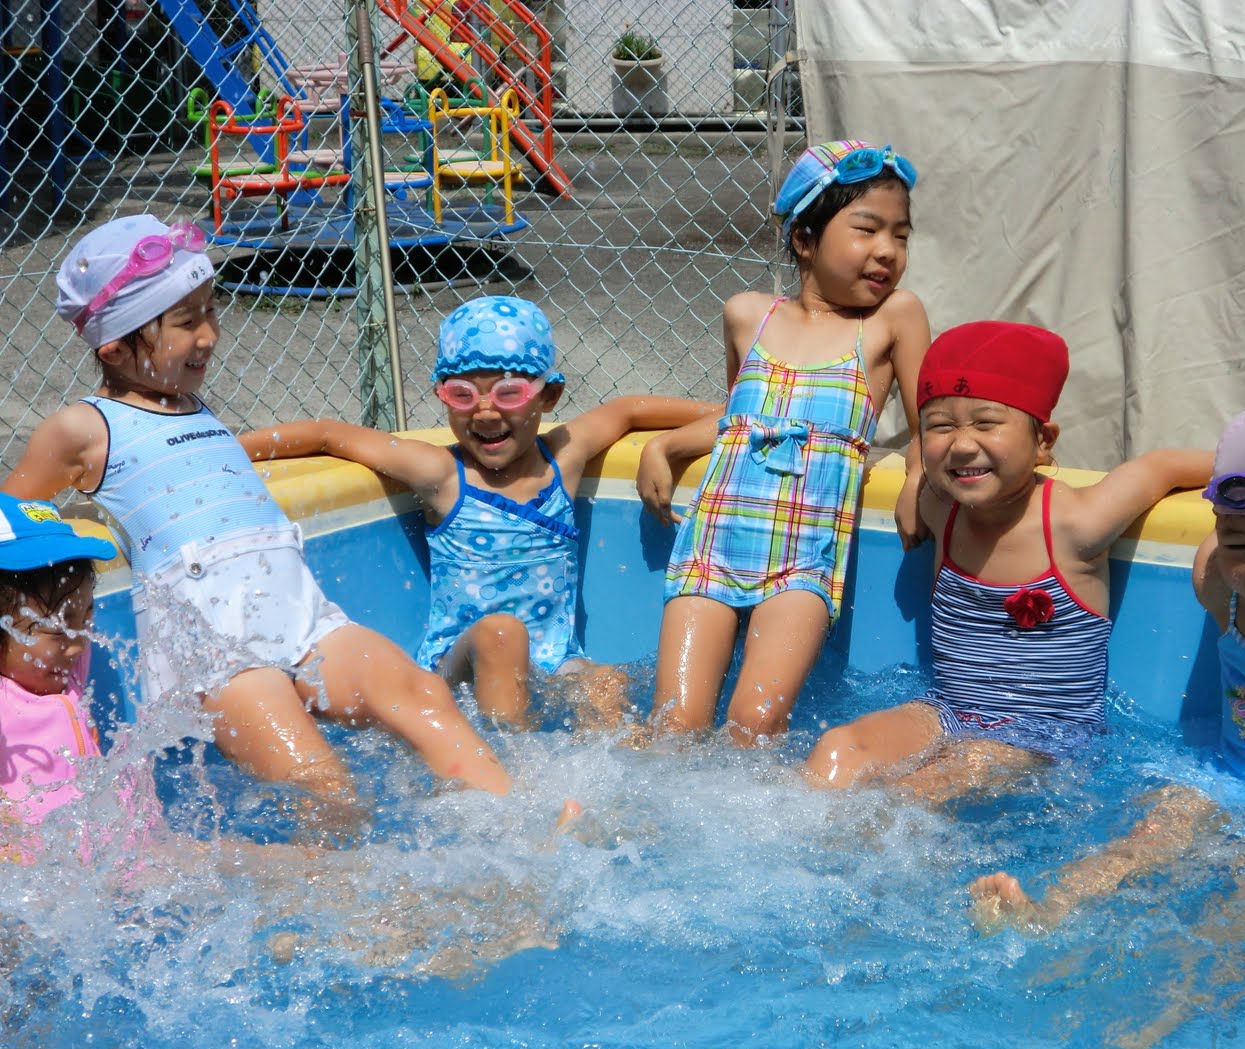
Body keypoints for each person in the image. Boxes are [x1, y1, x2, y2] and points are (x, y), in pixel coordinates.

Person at [3, 215, 512, 838]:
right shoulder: (83, 428)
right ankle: (348, 923)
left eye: (210, 312)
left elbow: (219, 461)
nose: (210, 335)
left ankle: (518, 830)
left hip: (303, 620)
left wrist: (321, 438)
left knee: (423, 695)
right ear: (114, 347)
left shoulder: (192, 406)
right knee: (325, 788)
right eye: (186, 322)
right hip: (216, 653)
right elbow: (12, 516)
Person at [969, 405, 1245, 921]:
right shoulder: (1218, 583)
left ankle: (1203, 991)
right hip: (1225, 777)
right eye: (1240, 544)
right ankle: (1048, 913)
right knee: (1148, 836)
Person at [240, 296, 718, 730]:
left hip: (553, 662)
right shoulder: (443, 475)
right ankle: (518, 776)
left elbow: (630, 409)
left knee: (607, 681)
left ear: (547, 397)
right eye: (463, 395)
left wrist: (669, 445)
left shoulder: (564, 460)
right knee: (501, 634)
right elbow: (328, 435)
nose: (486, 412)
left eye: (508, 393)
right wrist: (223, 452)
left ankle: (613, 803)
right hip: (456, 668)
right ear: (442, 395)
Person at [806, 320, 1213, 798]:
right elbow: (919, 445)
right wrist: (915, 477)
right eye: (942, 425)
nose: (961, 443)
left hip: (1046, 737)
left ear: (1043, 441)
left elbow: (1160, 467)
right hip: (948, 709)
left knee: (916, 793)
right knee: (838, 747)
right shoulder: (941, 507)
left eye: (985, 423)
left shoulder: (1075, 523)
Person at [635, 140, 932, 744]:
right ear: (805, 239)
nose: (887, 251)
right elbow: (743, 420)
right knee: (675, 724)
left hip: (803, 557)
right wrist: (663, 447)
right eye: (867, 229)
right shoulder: (748, 314)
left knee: (756, 722)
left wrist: (919, 478)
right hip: (711, 541)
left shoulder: (892, 319)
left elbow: (930, 420)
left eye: (901, 236)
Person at [0, 493, 121, 864]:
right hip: (46, 868)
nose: (78, 644)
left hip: (120, 846)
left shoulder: (63, 665)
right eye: (56, 631)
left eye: (86, 617)